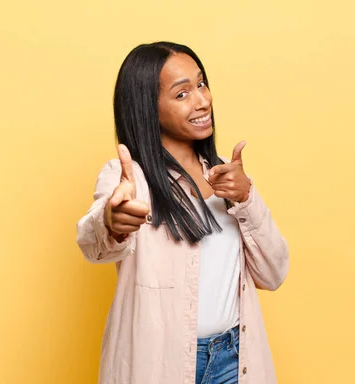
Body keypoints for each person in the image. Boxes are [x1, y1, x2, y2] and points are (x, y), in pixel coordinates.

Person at [76, 41, 289, 384]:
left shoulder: (226, 175)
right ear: (148, 108)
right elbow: (91, 242)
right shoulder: (130, 179)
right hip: (161, 365)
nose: (203, 101)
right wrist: (110, 223)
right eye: (181, 94)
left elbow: (274, 273)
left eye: (201, 84)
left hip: (234, 360)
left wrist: (247, 197)